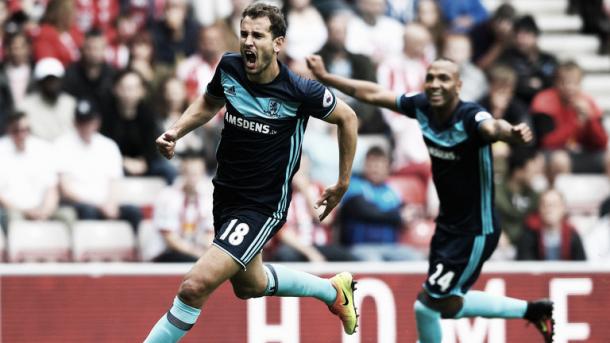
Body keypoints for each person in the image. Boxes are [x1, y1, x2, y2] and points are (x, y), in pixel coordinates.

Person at [144, 4, 359, 342]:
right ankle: (334, 291)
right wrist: (177, 130)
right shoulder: (229, 66)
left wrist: (342, 182)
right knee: (250, 285)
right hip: (225, 194)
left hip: (262, 204)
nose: (248, 42)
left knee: (193, 287)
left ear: (278, 43)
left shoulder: (299, 91)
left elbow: (348, 118)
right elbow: (209, 101)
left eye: (258, 35)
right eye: (244, 33)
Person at [307, 54, 554, 342]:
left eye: (444, 78)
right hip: (448, 225)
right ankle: (536, 311)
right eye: (431, 77)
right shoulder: (422, 106)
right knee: (445, 305)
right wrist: (327, 78)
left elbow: (492, 127)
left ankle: (534, 311)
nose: (435, 84)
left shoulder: (471, 116)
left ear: (458, 86)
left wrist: (510, 133)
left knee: (427, 305)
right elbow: (372, 93)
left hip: (475, 229)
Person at [54, 99, 142, 232]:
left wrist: (111, 203)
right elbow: (66, 190)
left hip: (106, 203)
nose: (85, 126)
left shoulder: (109, 146)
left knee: (133, 212)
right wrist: (98, 205)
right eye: (81, 122)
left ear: (97, 122)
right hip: (80, 203)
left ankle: (136, 249)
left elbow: (115, 183)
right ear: (74, 123)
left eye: (88, 121)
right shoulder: (62, 145)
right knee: (88, 212)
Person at [339, 146, 422, 261]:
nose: (375, 169)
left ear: (388, 168)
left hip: (391, 247)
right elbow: (367, 212)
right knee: (373, 262)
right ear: (364, 166)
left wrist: (411, 212)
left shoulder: (391, 191)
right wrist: (399, 216)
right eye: (371, 165)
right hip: (361, 247)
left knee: (415, 258)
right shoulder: (354, 186)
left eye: (379, 165)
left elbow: (406, 210)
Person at [531, 61, 608, 174]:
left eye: (574, 83)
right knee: (560, 159)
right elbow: (547, 143)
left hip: (581, 154)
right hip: (551, 155)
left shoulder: (588, 103)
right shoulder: (544, 102)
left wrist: (590, 120)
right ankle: (559, 192)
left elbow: (601, 143)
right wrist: (575, 123)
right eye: (564, 82)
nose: (569, 88)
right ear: (556, 83)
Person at [151, 156, 215, 262]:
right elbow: (169, 238)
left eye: (197, 174)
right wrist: (196, 253)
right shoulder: (167, 196)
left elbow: (209, 233)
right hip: (165, 252)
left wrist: (205, 253)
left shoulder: (207, 198)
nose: (193, 178)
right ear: (182, 174)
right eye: (189, 174)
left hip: (195, 251)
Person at [517, 189, 586, 261]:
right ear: (539, 209)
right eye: (545, 205)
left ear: (563, 208)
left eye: (554, 205)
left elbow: (582, 266)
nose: (549, 209)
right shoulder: (529, 236)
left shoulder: (573, 236)